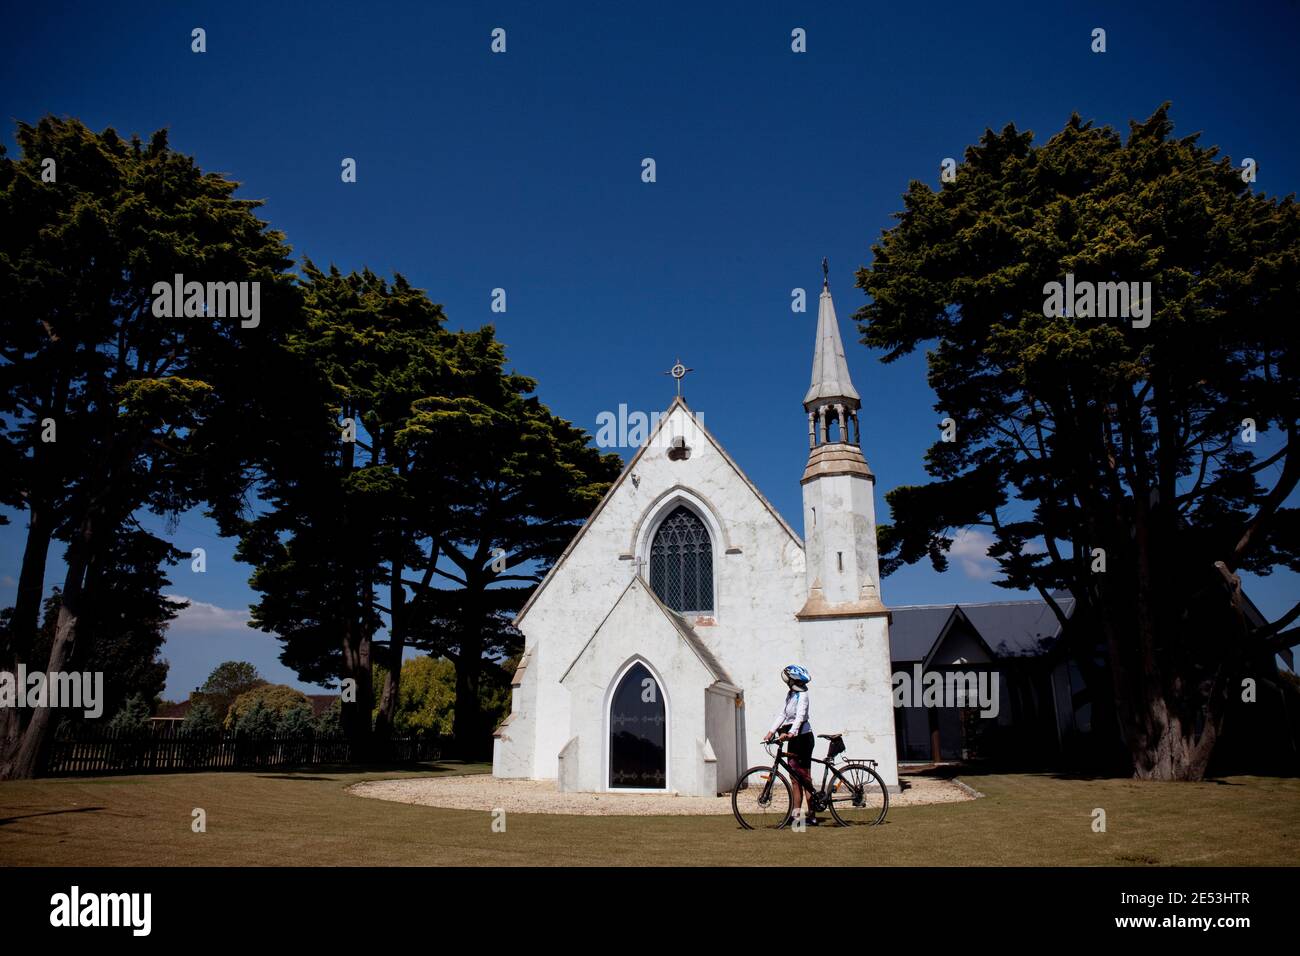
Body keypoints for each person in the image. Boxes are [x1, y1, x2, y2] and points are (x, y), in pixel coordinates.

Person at [763, 664, 817, 826]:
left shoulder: (803, 695)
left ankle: (812, 815)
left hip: (803, 738)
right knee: (794, 779)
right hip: (792, 738)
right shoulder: (791, 694)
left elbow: (800, 717)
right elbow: (783, 714)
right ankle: (796, 817)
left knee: (805, 778)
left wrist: (792, 733)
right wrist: (771, 732)